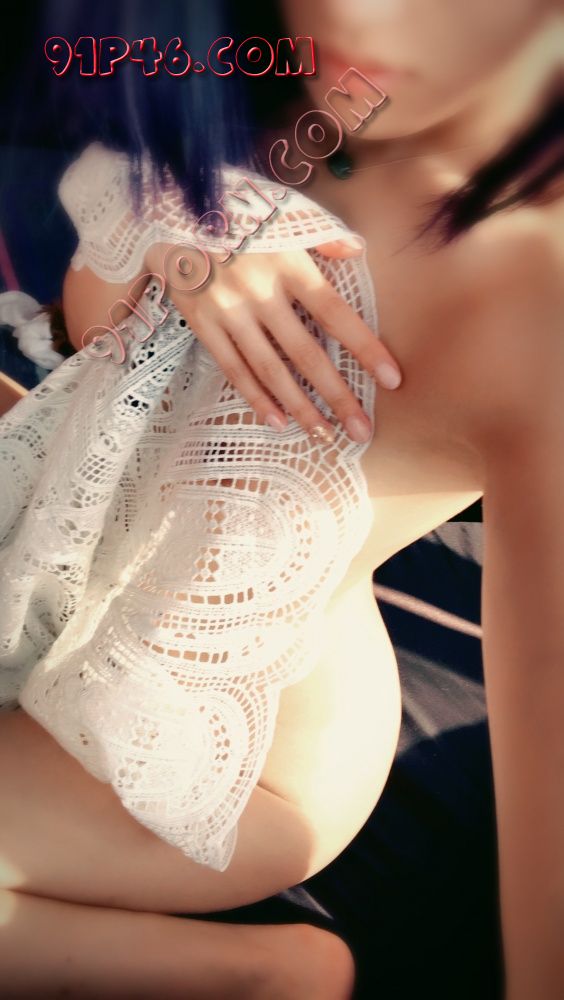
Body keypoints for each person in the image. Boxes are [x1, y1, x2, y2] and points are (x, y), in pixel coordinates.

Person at [0, 2, 562, 998]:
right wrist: (182, 242)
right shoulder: (317, 101)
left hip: (223, 756)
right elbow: (95, 329)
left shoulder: (537, 302)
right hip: (60, 590)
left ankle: (262, 974)